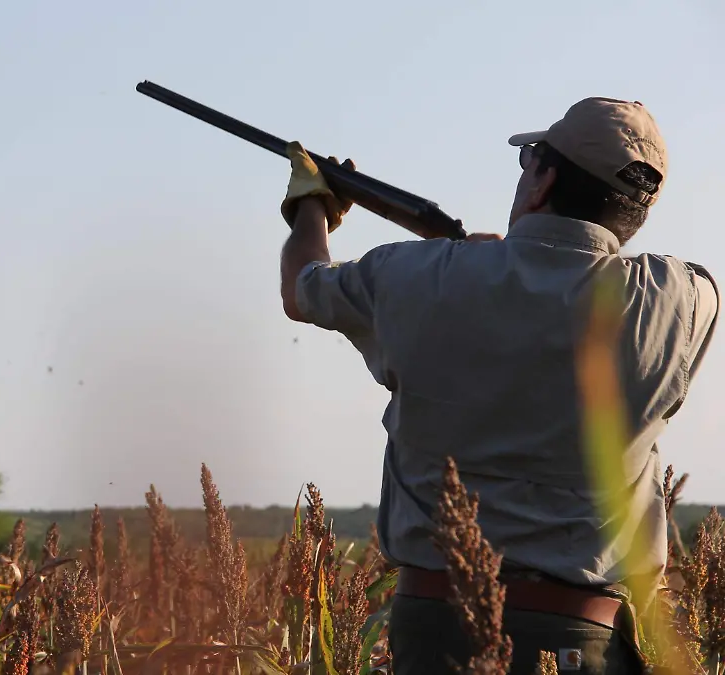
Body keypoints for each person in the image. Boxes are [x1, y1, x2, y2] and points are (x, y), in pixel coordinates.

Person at [278, 97, 718, 674]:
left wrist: (312, 205)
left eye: (529, 161)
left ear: (545, 182)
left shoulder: (412, 275)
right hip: (579, 640)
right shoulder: (682, 301)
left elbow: (303, 285)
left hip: (434, 632)